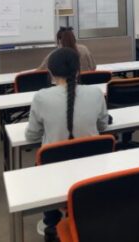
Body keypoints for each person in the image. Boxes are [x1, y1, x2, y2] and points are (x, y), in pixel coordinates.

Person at [25, 48, 109, 239]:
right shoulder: (96, 93)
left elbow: (32, 136)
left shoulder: (41, 97)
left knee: (41, 159)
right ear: (78, 70)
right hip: (93, 167)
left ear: (50, 72)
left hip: (55, 169)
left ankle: (51, 219)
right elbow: (103, 125)